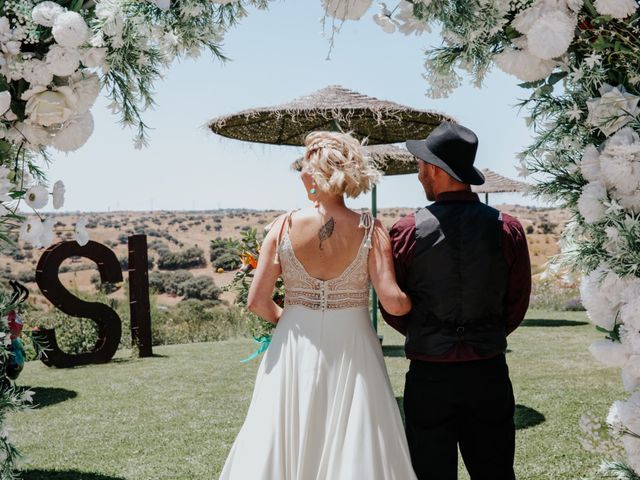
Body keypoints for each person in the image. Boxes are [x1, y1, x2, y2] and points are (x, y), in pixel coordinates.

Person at [218, 131, 418, 480]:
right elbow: (394, 303)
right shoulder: (371, 229)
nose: (302, 175)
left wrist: (293, 319)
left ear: (316, 176)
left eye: (305, 168)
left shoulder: (282, 228)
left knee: (281, 440)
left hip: (293, 346)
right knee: (355, 441)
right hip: (353, 348)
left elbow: (257, 301)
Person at [380, 121, 531, 480]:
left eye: (419, 167)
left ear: (434, 169)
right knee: (495, 473)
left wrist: (426, 331)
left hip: (430, 377)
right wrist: (484, 332)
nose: (418, 176)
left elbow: (394, 306)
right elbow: (517, 303)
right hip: (489, 372)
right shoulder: (507, 228)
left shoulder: (405, 230)